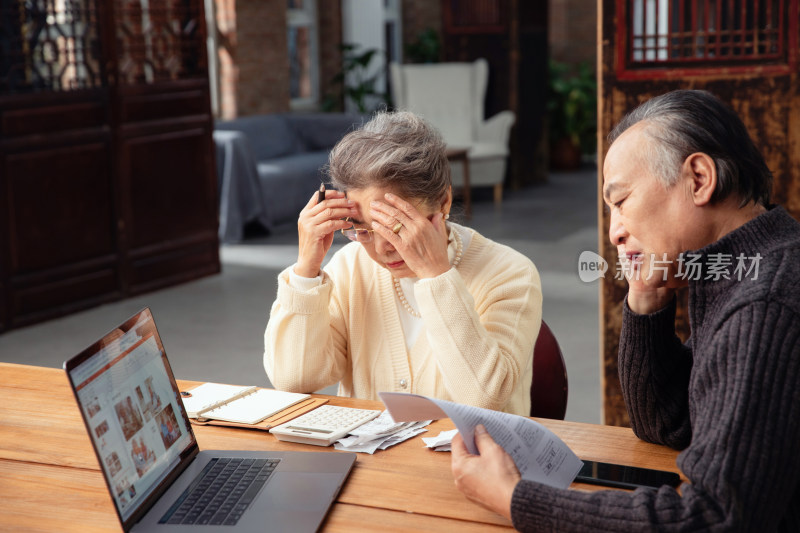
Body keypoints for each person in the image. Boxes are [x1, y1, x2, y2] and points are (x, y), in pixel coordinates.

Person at [450, 89, 800, 530]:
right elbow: (667, 424)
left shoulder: (763, 304)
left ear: (698, 178)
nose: (614, 232)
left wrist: (514, 499)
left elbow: (712, 520)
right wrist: (647, 296)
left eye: (621, 202)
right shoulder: (747, 268)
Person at [264, 110, 542, 415]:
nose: (382, 247)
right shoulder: (349, 267)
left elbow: (483, 398)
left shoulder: (511, 273)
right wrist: (306, 270)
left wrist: (436, 275)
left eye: (397, 226)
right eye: (362, 229)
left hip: (475, 462)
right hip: (370, 463)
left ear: (444, 202)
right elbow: (295, 379)